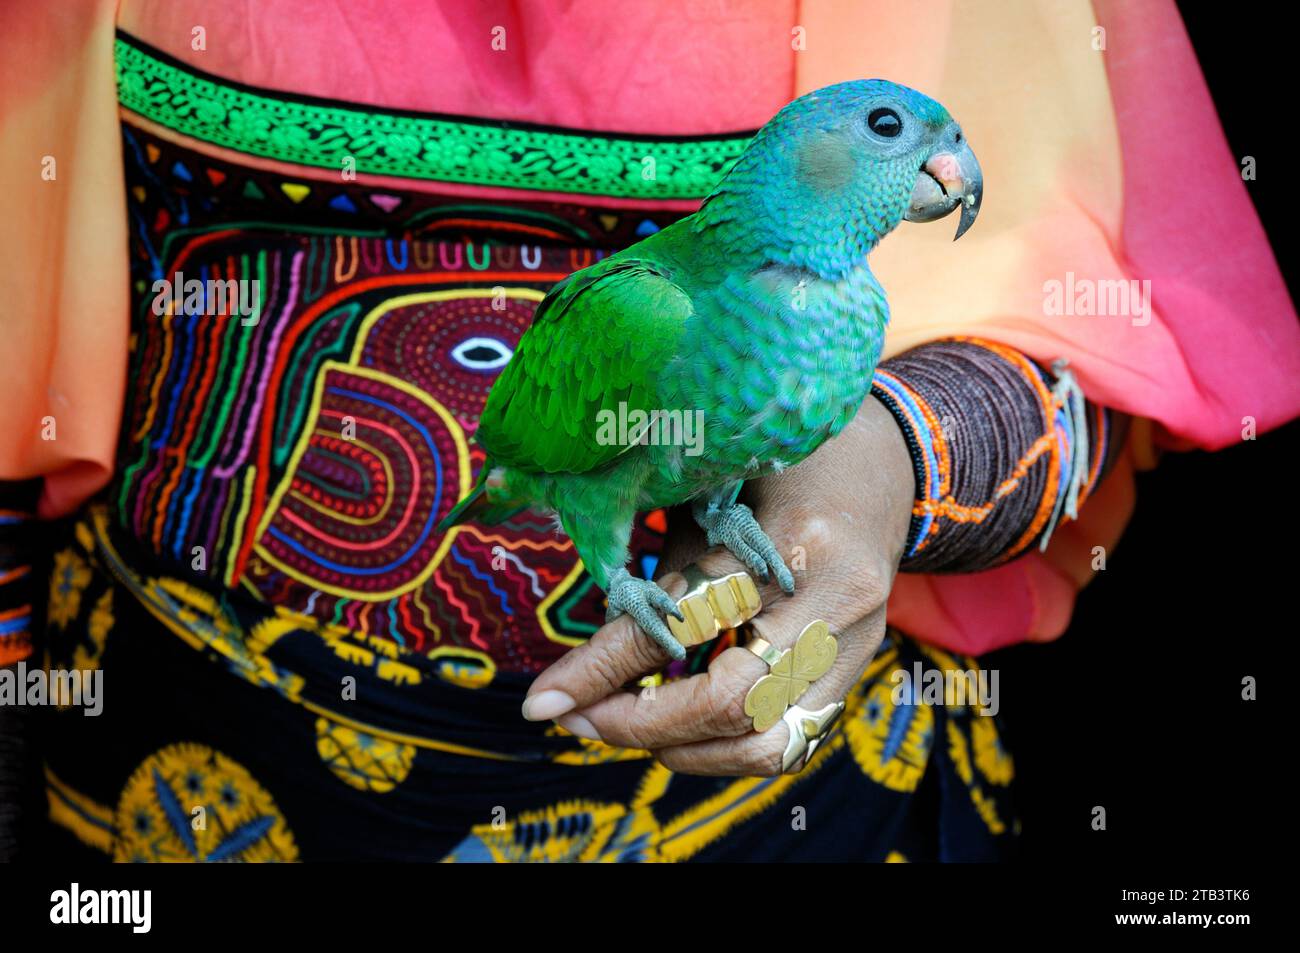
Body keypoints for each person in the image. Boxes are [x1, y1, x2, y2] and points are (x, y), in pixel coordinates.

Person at [0, 0, 1294, 862]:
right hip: (189, 787)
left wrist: (879, 473)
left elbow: (1092, 367)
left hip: (778, 807)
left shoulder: (902, 131)